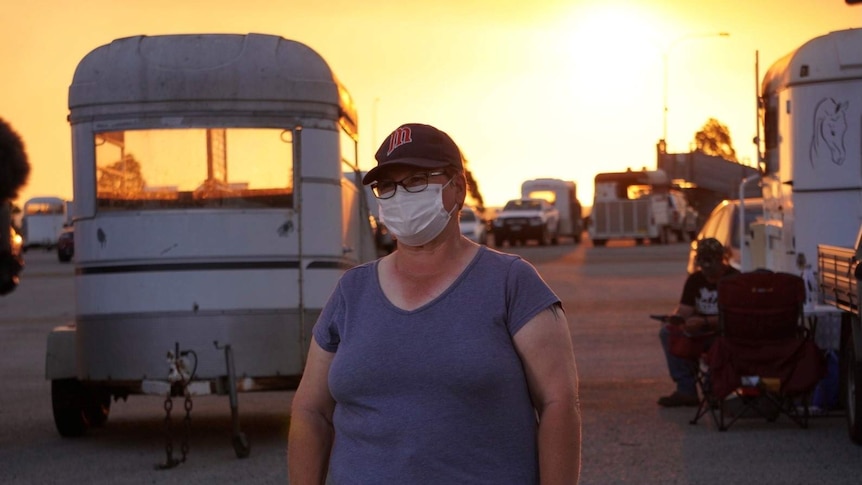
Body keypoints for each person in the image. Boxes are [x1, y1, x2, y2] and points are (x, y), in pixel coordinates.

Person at [288, 123, 581, 484]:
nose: (399, 196)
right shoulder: (351, 291)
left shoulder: (511, 283)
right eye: (388, 186)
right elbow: (311, 410)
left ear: (456, 188)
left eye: (415, 182)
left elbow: (559, 404)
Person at [657, 237, 739, 407]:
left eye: (710, 261)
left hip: (723, 331)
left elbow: (735, 317)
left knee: (722, 342)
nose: (706, 267)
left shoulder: (734, 280)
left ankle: (714, 388)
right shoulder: (695, 280)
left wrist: (704, 322)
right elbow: (685, 309)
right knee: (668, 332)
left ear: (721, 259)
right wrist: (678, 320)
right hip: (699, 330)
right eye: (701, 262)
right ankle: (686, 389)